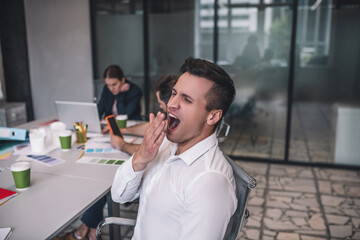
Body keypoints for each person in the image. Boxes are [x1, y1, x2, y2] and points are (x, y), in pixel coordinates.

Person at [111, 57, 237, 239]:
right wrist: (140, 157)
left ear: (212, 117)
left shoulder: (210, 181)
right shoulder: (165, 144)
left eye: (186, 99)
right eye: (174, 93)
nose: (171, 104)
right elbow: (119, 195)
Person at [110, 75, 178, 155]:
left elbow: (150, 151)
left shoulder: (178, 129)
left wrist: (121, 145)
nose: (160, 106)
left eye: (160, 103)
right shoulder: (175, 121)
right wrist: (123, 130)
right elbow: (155, 127)